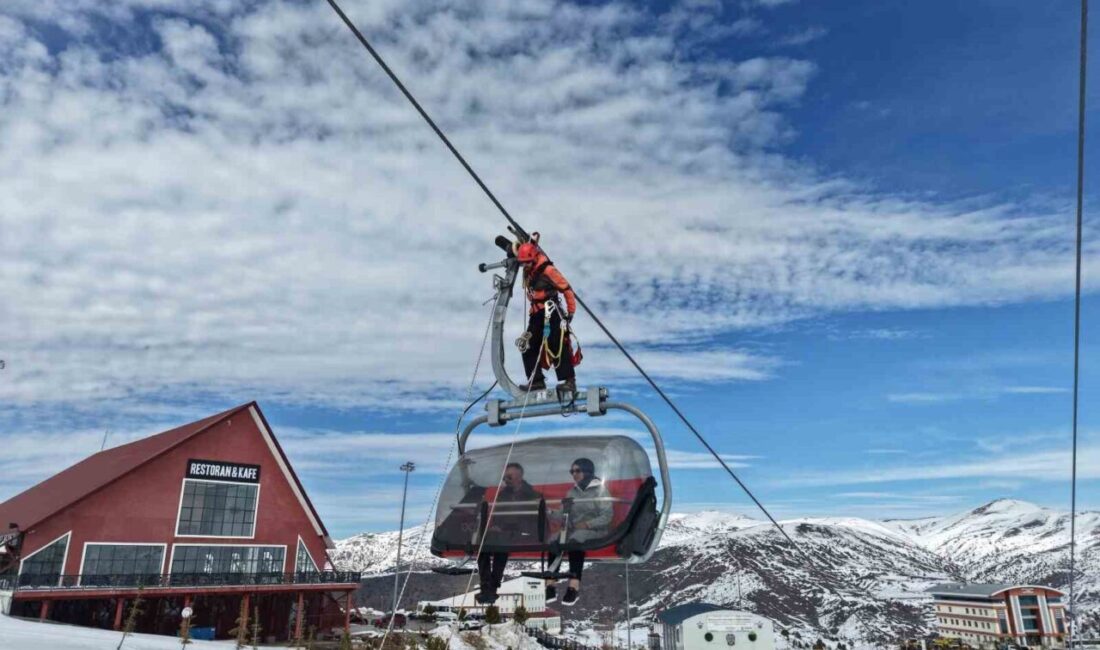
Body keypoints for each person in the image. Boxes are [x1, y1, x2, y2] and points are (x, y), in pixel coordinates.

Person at [545, 457, 612, 607]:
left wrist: (587, 524)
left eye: (577, 471)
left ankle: (573, 587)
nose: (574, 474)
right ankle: (550, 585)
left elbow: (607, 516)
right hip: (575, 529)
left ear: (587, 471)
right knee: (554, 539)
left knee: (576, 540)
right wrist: (548, 512)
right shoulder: (572, 492)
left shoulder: (600, 490)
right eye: (572, 471)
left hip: (596, 530)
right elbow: (563, 514)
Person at [514, 239, 577, 393]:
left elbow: (567, 289)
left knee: (557, 343)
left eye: (527, 262)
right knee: (527, 344)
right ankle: (536, 381)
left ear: (534, 257)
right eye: (523, 263)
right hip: (536, 314)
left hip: (551, 311)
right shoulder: (528, 272)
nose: (525, 266)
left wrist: (570, 311)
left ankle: (569, 381)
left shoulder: (548, 270)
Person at [476, 462, 542, 603]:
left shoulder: (532, 494)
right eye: (504, 478)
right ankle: (487, 586)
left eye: (509, 477)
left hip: (525, 531)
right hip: (505, 532)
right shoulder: (503, 495)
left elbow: (535, 518)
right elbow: (498, 515)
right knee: (483, 542)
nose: (506, 480)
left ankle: (490, 587)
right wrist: (497, 526)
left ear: (520, 477)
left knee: (502, 542)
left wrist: (510, 527)